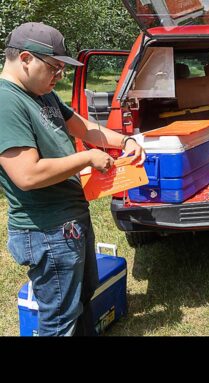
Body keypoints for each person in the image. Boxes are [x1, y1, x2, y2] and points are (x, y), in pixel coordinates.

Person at [0, 22, 145, 336]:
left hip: (69, 224)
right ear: (25, 58)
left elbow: (85, 128)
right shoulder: (6, 102)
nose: (59, 76)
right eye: (54, 68)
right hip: (47, 230)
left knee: (79, 302)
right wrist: (88, 158)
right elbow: (27, 175)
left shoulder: (43, 94)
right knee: (59, 322)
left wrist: (125, 142)